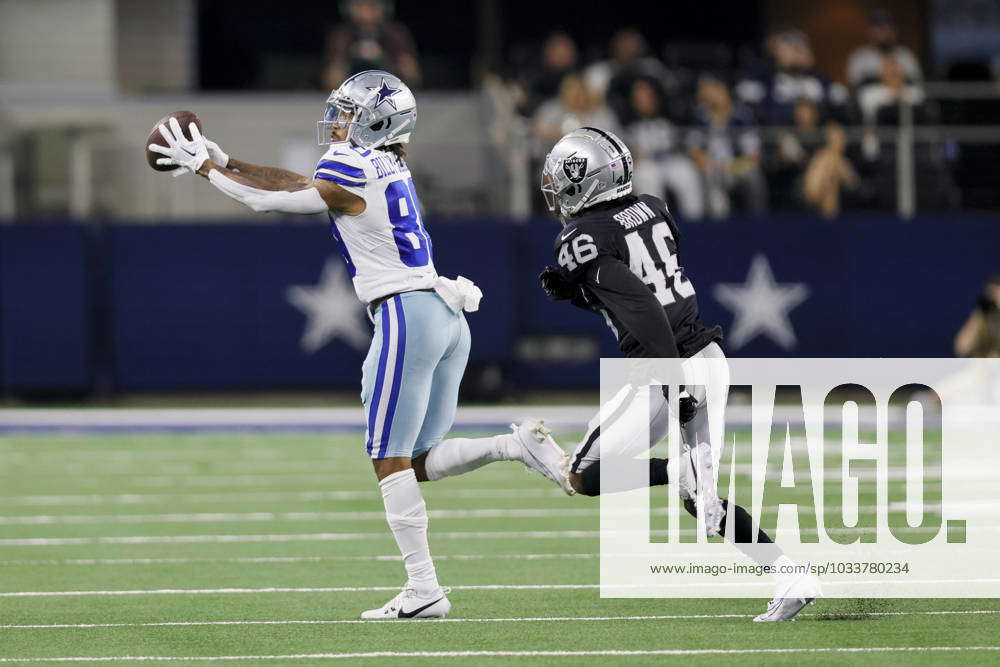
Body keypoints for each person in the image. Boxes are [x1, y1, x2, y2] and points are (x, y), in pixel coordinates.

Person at [149, 70, 572, 620]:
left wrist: (203, 167)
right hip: (444, 315)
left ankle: (424, 589)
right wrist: (229, 161)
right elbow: (299, 185)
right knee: (416, 460)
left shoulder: (353, 163)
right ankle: (515, 446)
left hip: (406, 315)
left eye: (348, 112)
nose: (338, 121)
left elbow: (271, 202)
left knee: (387, 459)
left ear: (375, 120)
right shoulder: (388, 162)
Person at [537, 126, 821, 621]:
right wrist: (582, 291)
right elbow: (643, 286)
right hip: (707, 357)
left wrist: (671, 380)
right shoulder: (652, 206)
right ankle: (791, 578)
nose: (557, 193)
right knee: (702, 504)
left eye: (563, 181)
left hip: (664, 368)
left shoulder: (580, 239)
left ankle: (674, 469)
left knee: (580, 475)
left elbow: (643, 306)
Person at [687, 74, 767, 218]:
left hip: (736, 167)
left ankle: (758, 221)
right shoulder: (701, 116)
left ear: (721, 90)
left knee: (754, 175)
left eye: (709, 89)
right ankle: (720, 225)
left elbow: (753, 156)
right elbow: (694, 149)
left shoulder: (742, 116)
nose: (704, 94)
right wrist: (708, 163)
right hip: (711, 168)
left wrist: (734, 166)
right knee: (708, 176)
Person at [626, 77, 705, 220]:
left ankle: (695, 222)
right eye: (640, 97)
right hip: (644, 164)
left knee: (687, 171)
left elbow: (685, 140)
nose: (645, 101)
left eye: (648, 96)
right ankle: (656, 224)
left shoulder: (671, 116)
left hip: (670, 159)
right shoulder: (626, 122)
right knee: (647, 175)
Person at [322, 0, 421, 90]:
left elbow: (412, 76)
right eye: (359, 6)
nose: (365, 13)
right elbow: (330, 82)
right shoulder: (341, 36)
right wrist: (351, 57)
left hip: (390, 96)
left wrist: (383, 57)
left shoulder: (396, 34)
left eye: (372, 6)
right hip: (351, 97)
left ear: (383, 8)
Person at [846, 9, 922, 94]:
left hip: (904, 100)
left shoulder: (905, 55)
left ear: (894, 31)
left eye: (886, 28)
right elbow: (854, 84)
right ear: (870, 31)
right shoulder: (859, 56)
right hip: (872, 101)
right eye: (878, 29)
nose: (883, 33)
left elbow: (916, 81)